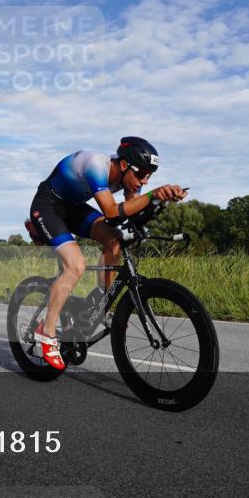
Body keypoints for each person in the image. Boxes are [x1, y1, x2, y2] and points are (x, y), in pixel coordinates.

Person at [24, 137, 187, 370]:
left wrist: (162, 201)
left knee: (115, 241)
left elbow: (133, 214)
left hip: (73, 208)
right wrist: (153, 194)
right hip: (48, 205)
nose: (145, 180)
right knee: (76, 265)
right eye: (141, 174)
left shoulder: (132, 179)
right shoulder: (95, 165)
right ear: (123, 165)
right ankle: (46, 332)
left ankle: (102, 301)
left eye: (150, 176)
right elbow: (112, 211)